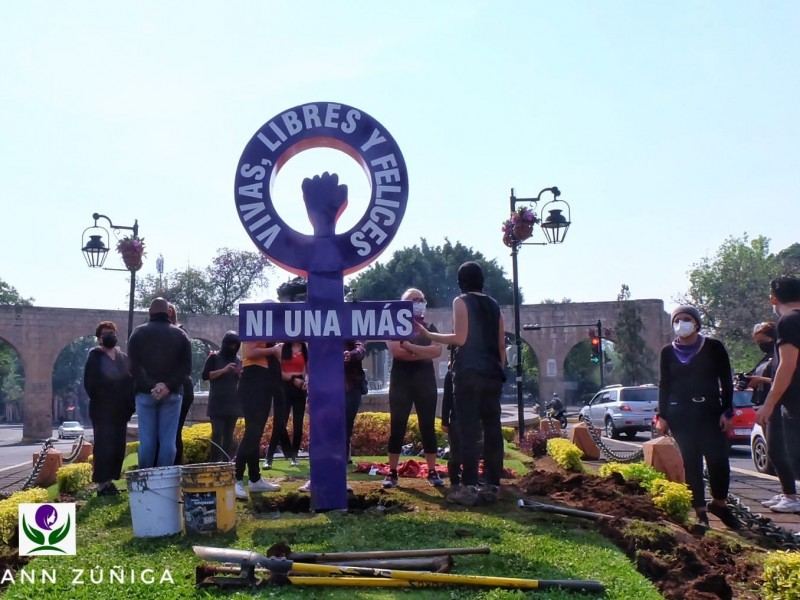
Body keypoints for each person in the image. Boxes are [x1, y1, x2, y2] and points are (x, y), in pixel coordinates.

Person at [415, 262, 506, 506]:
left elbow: (460, 338)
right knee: (493, 430)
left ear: (460, 281)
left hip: (468, 373)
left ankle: (468, 487)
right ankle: (493, 485)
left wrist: (430, 335)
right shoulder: (494, 305)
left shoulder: (461, 301)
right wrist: (500, 370)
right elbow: (500, 345)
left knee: (467, 430)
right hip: (492, 374)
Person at [656, 304, 740, 529]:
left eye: (686, 319)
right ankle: (700, 512)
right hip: (681, 414)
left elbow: (726, 380)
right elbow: (665, 385)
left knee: (718, 461)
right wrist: (661, 416)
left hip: (711, 412)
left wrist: (727, 410)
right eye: (677, 320)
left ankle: (719, 504)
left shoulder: (713, 347)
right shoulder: (667, 351)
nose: (681, 323)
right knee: (691, 463)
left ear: (696, 322)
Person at [382, 289, 444, 489]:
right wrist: (422, 353)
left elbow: (437, 350)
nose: (418, 302)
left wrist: (412, 347)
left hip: (425, 380)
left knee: (428, 425)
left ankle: (432, 471)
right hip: (401, 380)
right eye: (413, 300)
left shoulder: (429, 327)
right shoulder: (394, 326)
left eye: (421, 299)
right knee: (397, 425)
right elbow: (397, 352)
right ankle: (392, 472)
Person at [127, 298, 192, 469]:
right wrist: (168, 386)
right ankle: (164, 480)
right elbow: (186, 368)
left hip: (145, 394)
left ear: (149, 312)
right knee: (168, 443)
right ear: (169, 312)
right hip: (172, 394)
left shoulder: (138, 333)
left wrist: (151, 386)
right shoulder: (180, 335)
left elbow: (133, 366)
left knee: (147, 443)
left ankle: (146, 482)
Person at [297, 340, 364, 494]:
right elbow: (313, 366)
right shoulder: (319, 335)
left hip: (349, 389)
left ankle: (340, 479)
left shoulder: (352, 326)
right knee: (319, 436)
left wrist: (350, 355)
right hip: (324, 391)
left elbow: (361, 348)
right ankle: (316, 479)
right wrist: (309, 396)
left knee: (343, 436)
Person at [756, 277, 800, 512]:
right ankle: (789, 495)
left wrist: (769, 404)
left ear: (773, 298)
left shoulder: (789, 322)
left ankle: (793, 499)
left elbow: (787, 365)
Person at [82, 321, 135, 496]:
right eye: (105, 333)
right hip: (102, 410)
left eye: (112, 332)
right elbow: (90, 384)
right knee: (104, 445)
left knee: (118, 446)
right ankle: (101, 484)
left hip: (121, 410)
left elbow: (131, 380)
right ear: (99, 338)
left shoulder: (122, 357)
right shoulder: (95, 356)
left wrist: (129, 404)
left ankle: (111, 480)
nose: (109, 335)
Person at [234, 339, 283, 499]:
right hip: (253, 379)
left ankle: (255, 478)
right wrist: (274, 350)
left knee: (256, 433)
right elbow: (249, 352)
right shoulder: (254, 324)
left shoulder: (270, 328)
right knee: (252, 433)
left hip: (265, 379)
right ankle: (236, 477)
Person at [201, 331, 243, 462]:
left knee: (229, 436)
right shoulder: (214, 357)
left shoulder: (238, 360)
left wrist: (240, 373)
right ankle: (214, 462)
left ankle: (226, 463)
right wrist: (224, 370)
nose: (232, 348)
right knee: (217, 433)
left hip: (233, 403)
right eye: (230, 345)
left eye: (235, 346)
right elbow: (205, 376)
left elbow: (243, 380)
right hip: (217, 402)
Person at [264, 341, 307, 468]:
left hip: (300, 387)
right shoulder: (282, 347)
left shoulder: (305, 348)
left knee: (298, 424)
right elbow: (276, 370)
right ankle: (269, 457)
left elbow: (310, 370)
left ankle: (294, 455)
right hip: (284, 386)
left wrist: (306, 382)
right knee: (280, 423)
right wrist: (293, 379)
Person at [167, 303, 195, 465]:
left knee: (174, 431)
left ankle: (175, 466)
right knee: (172, 431)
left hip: (180, 387)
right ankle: (173, 466)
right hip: (178, 386)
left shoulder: (179, 332)